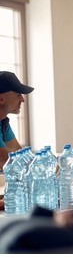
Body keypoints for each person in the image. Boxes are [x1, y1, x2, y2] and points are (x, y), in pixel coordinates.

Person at [0, 71, 34, 211]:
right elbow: (6, 161)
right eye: (18, 95)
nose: (23, 100)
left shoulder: (3, 123)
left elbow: (20, 153)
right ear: (1, 99)